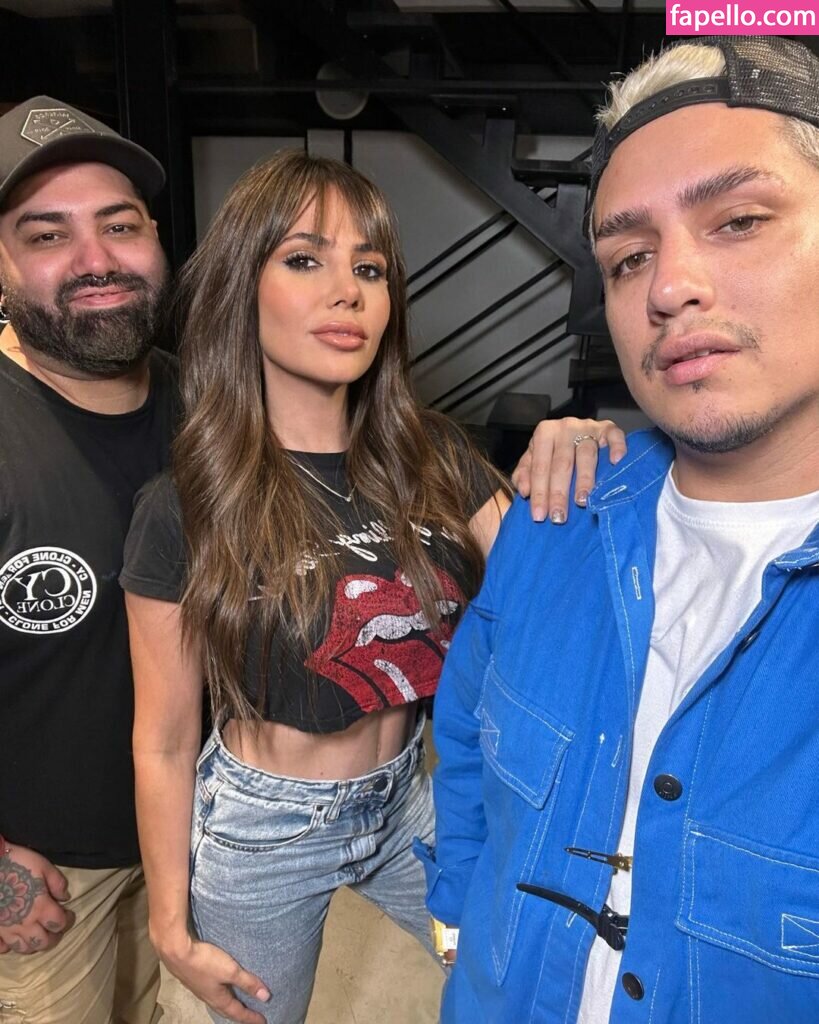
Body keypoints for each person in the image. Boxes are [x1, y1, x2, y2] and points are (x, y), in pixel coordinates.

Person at [118, 149, 627, 1024]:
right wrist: (168, 922)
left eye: (369, 269)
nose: (346, 293)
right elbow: (163, 739)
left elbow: (561, 601)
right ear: (243, 288)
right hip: (262, 827)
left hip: (409, 796)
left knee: (511, 984)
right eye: (304, 260)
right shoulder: (186, 505)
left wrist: (585, 462)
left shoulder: (436, 458)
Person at [424, 34, 819, 1023]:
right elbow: (466, 733)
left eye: (738, 220)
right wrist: (459, 916)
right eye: (628, 256)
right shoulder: (552, 523)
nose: (668, 286)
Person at [0, 97, 174, 1022]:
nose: (95, 259)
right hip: (45, 882)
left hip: (201, 843)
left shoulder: (217, 408)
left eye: (120, 224)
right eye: (47, 234)